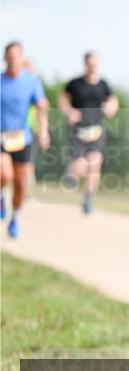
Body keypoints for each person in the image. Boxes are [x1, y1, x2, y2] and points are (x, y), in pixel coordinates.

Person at [1, 41, 50, 238]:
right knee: (5, 175)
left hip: (23, 139)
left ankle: (15, 218)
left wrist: (44, 131)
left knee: (22, 184)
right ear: (5, 58)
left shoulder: (31, 81)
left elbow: (41, 107)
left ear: (22, 59)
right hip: (2, 137)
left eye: (16, 57)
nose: (13, 60)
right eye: (10, 57)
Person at [59, 51, 119, 214]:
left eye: (95, 64)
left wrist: (111, 108)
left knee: (95, 162)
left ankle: (88, 198)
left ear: (98, 64)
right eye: (90, 64)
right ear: (85, 64)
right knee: (80, 163)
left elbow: (113, 100)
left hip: (96, 130)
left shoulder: (104, 85)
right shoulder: (75, 84)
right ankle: (72, 174)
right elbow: (63, 100)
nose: (93, 67)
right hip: (78, 130)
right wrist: (69, 112)